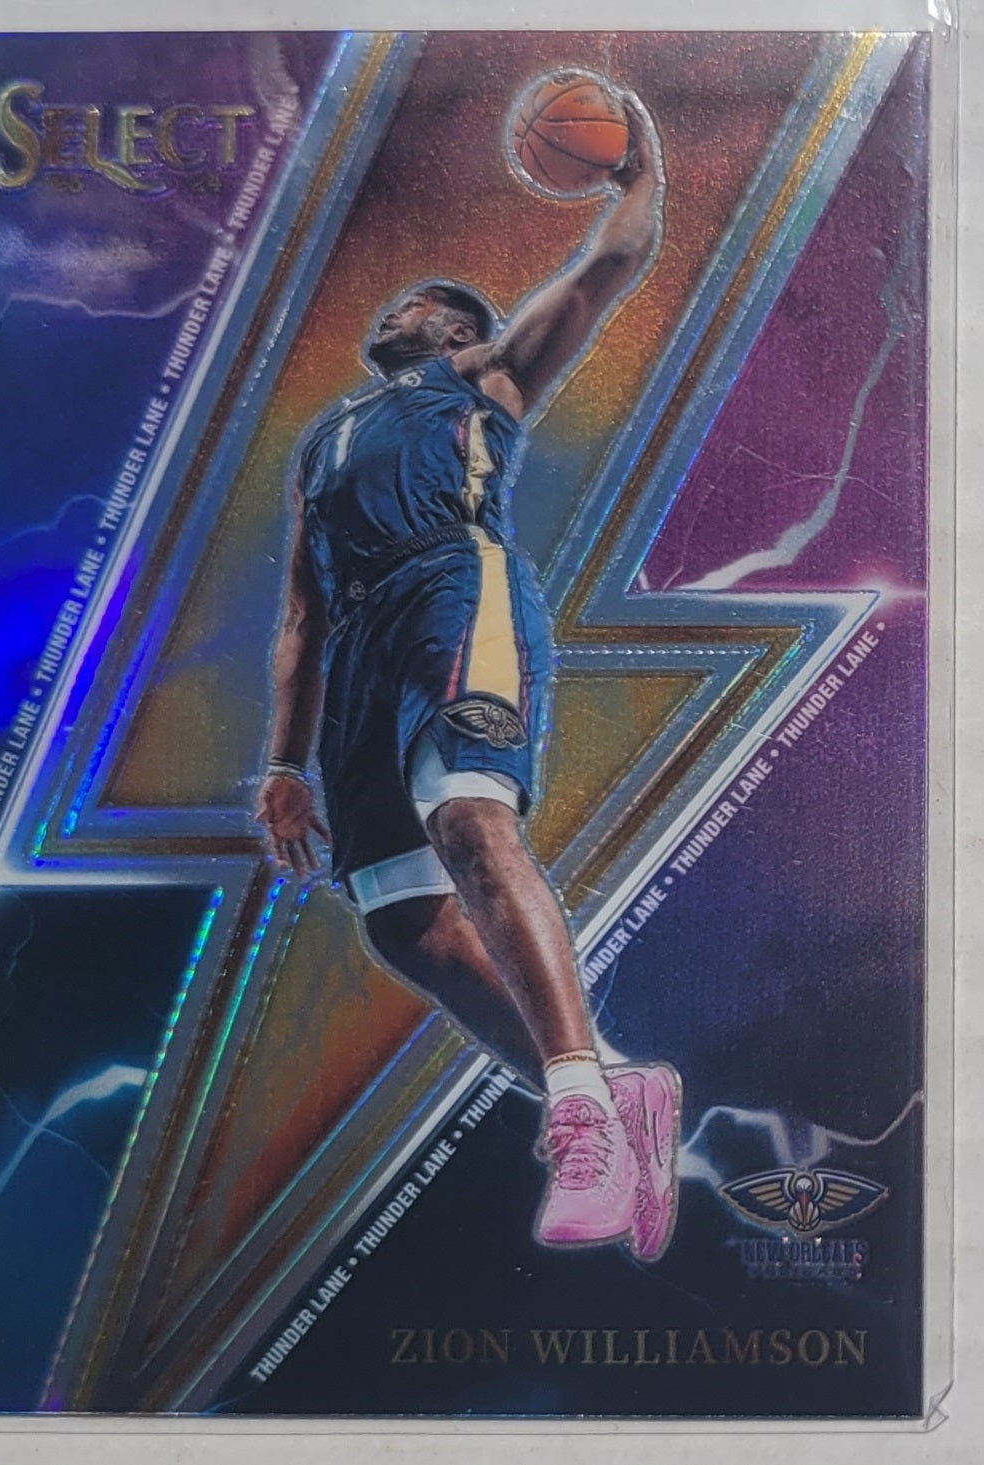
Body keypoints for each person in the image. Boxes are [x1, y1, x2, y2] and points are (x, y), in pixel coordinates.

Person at [256, 99, 679, 1254]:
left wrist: (638, 169)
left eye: (423, 303)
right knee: (398, 922)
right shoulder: (323, 444)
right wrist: (283, 764)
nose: (398, 307)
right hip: (360, 650)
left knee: (471, 825)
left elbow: (607, 265)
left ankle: (580, 1115)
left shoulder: (484, 376)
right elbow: (300, 612)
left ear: (457, 330)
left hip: (455, 586)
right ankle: (618, 1088)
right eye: (399, 302)